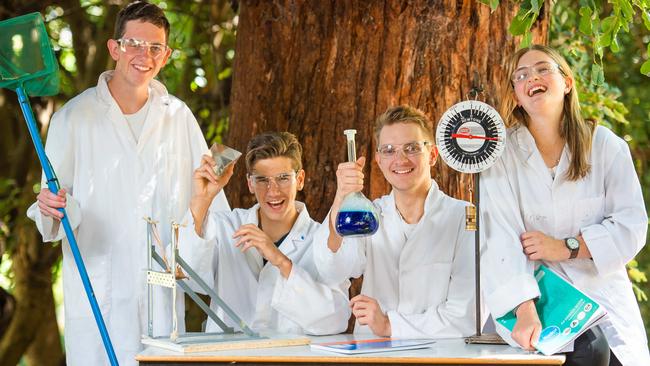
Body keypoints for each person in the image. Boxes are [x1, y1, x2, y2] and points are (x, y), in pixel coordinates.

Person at [26, 2, 229, 365]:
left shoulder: (179, 117)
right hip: (98, 295)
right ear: (114, 48)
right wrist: (51, 207)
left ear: (166, 55)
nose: (144, 55)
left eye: (155, 47)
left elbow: (206, 207)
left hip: (162, 300)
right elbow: (53, 215)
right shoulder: (72, 118)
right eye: (134, 43)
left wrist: (208, 192)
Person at [481, 44, 649, 366]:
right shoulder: (501, 156)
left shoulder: (605, 146)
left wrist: (567, 247)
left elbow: (631, 226)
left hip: (601, 306)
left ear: (567, 82)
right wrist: (523, 307)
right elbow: (498, 236)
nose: (533, 77)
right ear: (516, 95)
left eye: (543, 69)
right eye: (522, 75)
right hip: (535, 310)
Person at [312, 105, 482, 338]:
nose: (400, 159)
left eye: (411, 148)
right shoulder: (370, 216)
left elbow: (468, 315)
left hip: (438, 355)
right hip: (374, 354)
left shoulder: (465, 217)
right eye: (389, 150)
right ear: (379, 160)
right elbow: (332, 270)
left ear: (432, 155)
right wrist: (341, 198)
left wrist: (389, 326)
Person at [178, 131, 350, 335]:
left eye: (283, 178)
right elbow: (183, 273)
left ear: (301, 179)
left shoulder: (322, 240)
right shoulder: (226, 226)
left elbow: (336, 319)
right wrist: (202, 198)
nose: (273, 191)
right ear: (250, 183)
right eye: (262, 180)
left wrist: (281, 261)